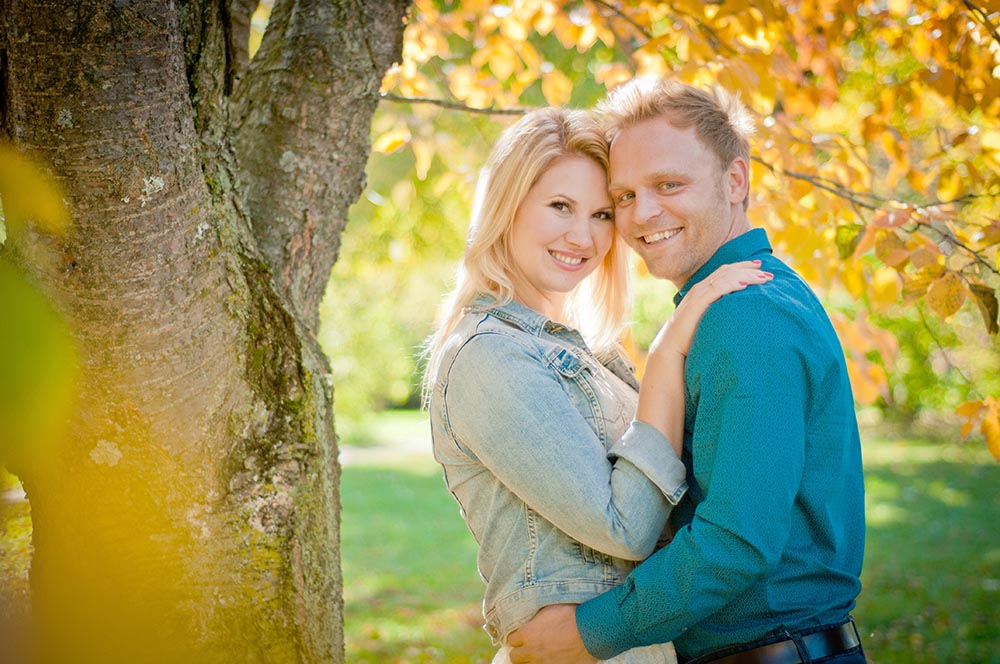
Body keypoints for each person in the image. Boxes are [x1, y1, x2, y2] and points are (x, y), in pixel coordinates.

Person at [507, 79, 867, 664]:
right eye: (623, 196)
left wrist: (586, 633)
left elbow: (735, 542)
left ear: (736, 180)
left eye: (668, 185)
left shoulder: (747, 317)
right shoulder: (736, 302)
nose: (642, 213)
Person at [424, 107, 772, 664]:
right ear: (507, 206)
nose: (582, 236)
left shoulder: (580, 348)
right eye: (560, 206)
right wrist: (669, 349)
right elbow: (626, 527)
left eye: (602, 213)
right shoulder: (490, 355)